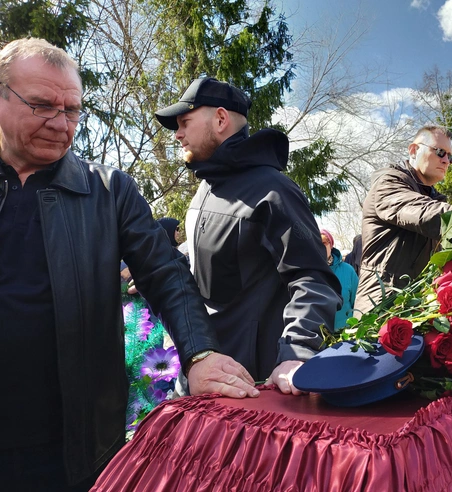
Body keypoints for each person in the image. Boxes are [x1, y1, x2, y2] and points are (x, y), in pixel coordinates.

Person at [0, 38, 258, 491]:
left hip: (73, 446)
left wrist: (199, 353)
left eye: (73, 110)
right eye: (42, 106)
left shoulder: (109, 190)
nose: (62, 124)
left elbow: (167, 274)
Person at [155, 77, 342, 395]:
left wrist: (298, 352)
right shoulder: (204, 189)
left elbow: (313, 279)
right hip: (200, 378)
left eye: (185, 122)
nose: (178, 134)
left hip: (255, 389)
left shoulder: (275, 191)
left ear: (220, 119)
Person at [353, 125, 452, 315]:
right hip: (380, 304)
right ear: (414, 150)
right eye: (440, 152)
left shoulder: (435, 198)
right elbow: (424, 213)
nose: (446, 161)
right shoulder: (388, 183)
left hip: (416, 305)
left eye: (451, 156)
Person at [320, 229, 359, 330]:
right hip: (317, 336)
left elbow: (358, 303)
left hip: (344, 334)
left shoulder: (348, 270)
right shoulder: (308, 272)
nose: (319, 246)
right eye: (316, 242)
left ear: (331, 245)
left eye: (323, 242)